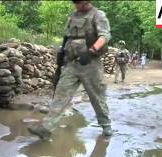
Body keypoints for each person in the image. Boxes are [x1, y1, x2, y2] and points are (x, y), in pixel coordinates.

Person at [28, 0, 113, 140]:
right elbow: (67, 37)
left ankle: (106, 125)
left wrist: (91, 51)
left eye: (79, 2)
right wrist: (62, 54)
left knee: (97, 97)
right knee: (61, 94)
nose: (76, 5)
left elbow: (104, 36)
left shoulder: (98, 15)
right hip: (71, 63)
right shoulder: (73, 15)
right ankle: (46, 128)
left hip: (90, 63)